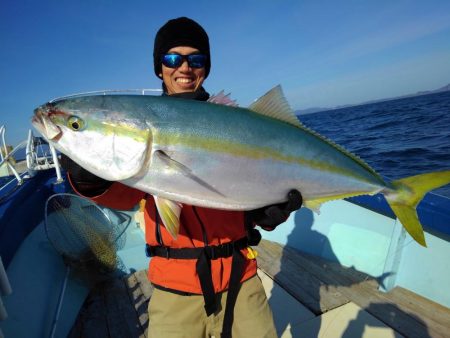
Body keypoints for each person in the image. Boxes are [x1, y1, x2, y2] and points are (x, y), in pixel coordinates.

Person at [62, 17, 302, 338]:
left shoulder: (237, 124)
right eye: (173, 59)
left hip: (240, 280)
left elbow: (253, 185)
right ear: (159, 68)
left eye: (196, 59)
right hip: (174, 290)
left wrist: (264, 213)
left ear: (206, 67)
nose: (185, 68)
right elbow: (127, 195)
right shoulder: (139, 124)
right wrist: (93, 180)